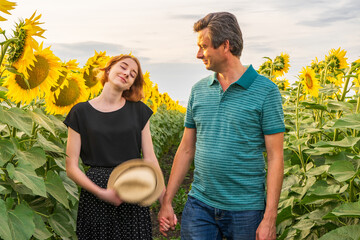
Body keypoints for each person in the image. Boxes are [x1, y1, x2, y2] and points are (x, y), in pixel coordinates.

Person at [158, 12, 285, 240]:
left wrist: (269, 218)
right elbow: (186, 148)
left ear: (225, 46)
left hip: (247, 209)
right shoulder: (198, 90)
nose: (198, 54)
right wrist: (167, 201)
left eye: (203, 46)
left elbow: (276, 156)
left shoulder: (266, 91)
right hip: (200, 205)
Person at [64, 54, 163, 239]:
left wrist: (164, 201)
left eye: (133, 74)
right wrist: (102, 193)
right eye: (123, 67)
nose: (127, 73)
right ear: (109, 70)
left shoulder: (139, 111)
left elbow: (150, 160)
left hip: (133, 188)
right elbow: (71, 167)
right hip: (96, 193)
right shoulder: (80, 112)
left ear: (131, 85)